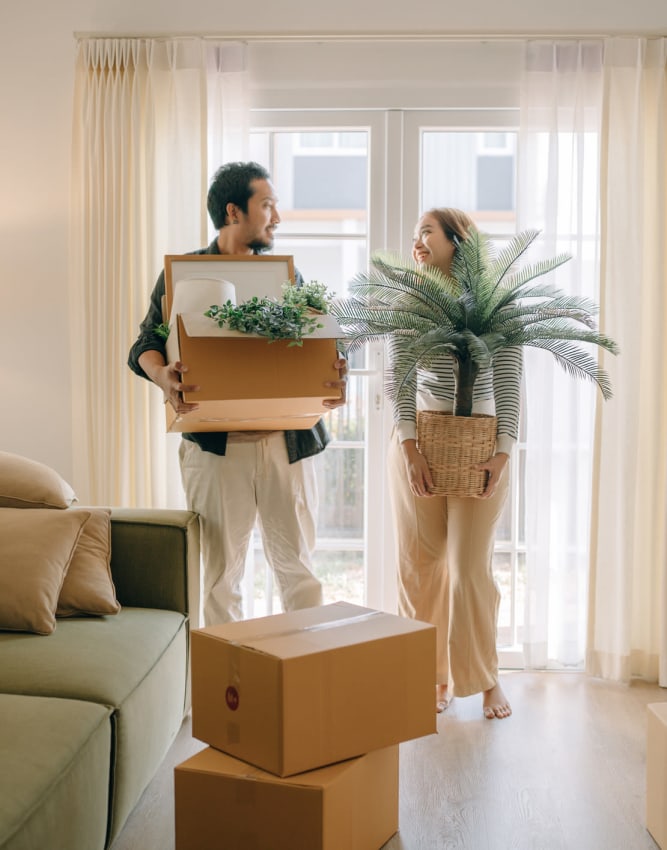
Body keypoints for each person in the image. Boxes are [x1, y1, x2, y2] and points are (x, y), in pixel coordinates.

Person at [128, 161, 347, 626]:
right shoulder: (183, 275)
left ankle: (305, 688)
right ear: (233, 211)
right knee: (219, 580)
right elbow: (145, 345)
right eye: (266, 205)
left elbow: (321, 343)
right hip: (215, 450)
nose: (277, 218)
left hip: (286, 446)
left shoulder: (290, 279)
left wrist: (332, 371)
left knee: (300, 572)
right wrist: (164, 375)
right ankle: (231, 694)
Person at [386, 207, 522, 719]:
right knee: (421, 568)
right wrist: (409, 447)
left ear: (455, 240)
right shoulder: (410, 301)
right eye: (414, 231)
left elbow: (509, 382)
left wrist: (503, 451)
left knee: (469, 568)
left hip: (482, 446)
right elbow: (397, 378)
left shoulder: (493, 305)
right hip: (419, 442)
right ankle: (431, 678)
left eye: (426, 231)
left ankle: (486, 680)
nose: (417, 240)